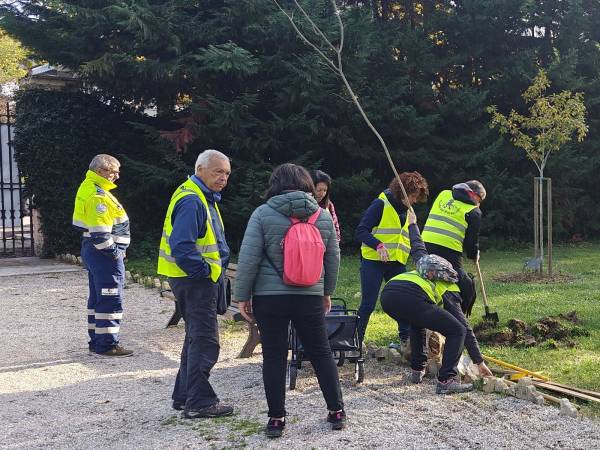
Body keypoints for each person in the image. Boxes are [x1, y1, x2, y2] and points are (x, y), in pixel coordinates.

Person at [234, 163, 345, 438]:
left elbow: (249, 259)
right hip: (309, 295)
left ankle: (276, 419)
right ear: (307, 185)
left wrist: (241, 297)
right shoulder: (322, 216)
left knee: (274, 354)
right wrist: (326, 291)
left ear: (275, 184)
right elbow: (333, 258)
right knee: (320, 351)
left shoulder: (262, 213)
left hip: (270, 297)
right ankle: (337, 411)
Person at [380, 212, 493, 394]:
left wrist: (413, 224)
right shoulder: (451, 287)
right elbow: (465, 327)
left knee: (418, 322)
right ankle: (446, 380)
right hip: (410, 296)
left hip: (388, 295)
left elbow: (417, 245)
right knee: (457, 330)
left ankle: (417, 369)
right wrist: (479, 362)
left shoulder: (427, 264)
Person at [157, 149, 233, 419]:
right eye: (217, 172)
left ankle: (184, 396)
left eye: (226, 173)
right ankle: (200, 402)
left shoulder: (199, 195)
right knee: (205, 340)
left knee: (194, 339)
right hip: (195, 281)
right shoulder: (193, 200)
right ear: (200, 169)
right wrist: (203, 272)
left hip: (191, 280)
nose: (223, 178)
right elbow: (182, 246)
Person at [355, 171, 429, 345]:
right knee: (368, 303)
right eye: (412, 196)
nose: (415, 201)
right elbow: (361, 231)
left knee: (402, 300)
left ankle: (406, 339)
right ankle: (356, 340)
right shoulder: (380, 204)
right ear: (402, 193)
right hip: (373, 261)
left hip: (396, 262)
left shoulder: (409, 211)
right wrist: (378, 245)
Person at [72, 154, 132, 357]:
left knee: (97, 298)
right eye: (114, 171)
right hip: (104, 255)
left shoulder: (88, 186)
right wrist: (116, 254)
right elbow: (100, 235)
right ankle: (107, 345)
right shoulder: (98, 196)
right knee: (110, 298)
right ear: (101, 172)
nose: (117, 176)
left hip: (94, 252)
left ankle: (97, 341)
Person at [422, 180, 486, 314]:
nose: (479, 203)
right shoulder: (474, 211)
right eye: (480, 199)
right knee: (466, 286)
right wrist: (474, 254)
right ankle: (459, 317)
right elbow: (471, 242)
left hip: (425, 246)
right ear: (473, 194)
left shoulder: (444, 194)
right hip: (450, 252)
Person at [312, 170, 341, 241]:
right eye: (319, 190)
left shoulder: (329, 205)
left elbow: (335, 228)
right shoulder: (303, 204)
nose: (322, 194)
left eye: (325, 190)